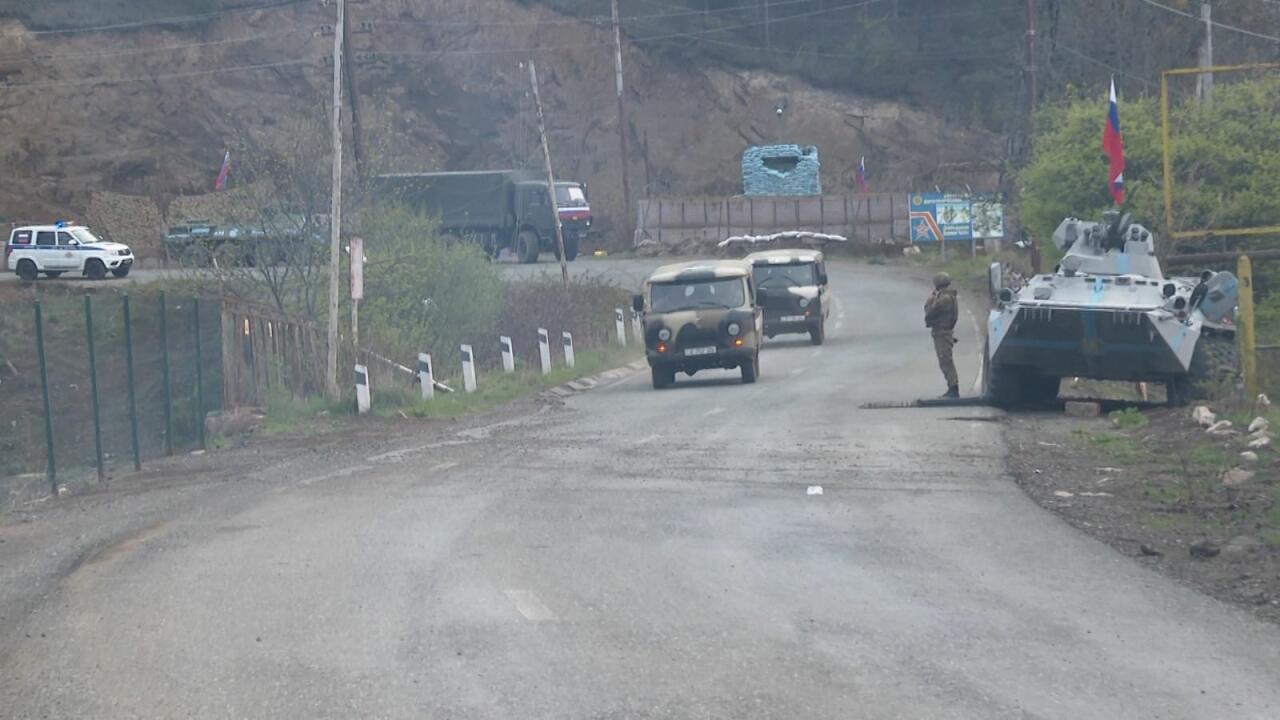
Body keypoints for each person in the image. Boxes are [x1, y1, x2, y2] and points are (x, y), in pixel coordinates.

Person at [924, 272, 959, 398]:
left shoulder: (944, 299)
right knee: (945, 361)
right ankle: (952, 388)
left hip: (942, 332)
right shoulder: (949, 297)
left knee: (946, 361)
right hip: (944, 331)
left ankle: (953, 389)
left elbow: (930, 312)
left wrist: (930, 301)